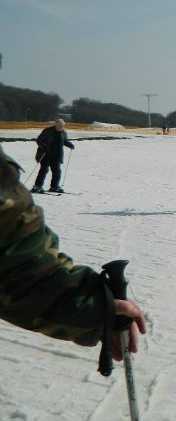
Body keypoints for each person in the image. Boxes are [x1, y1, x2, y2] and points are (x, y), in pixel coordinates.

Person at [0, 144, 146, 362]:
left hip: (54, 155)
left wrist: (88, 304)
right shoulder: (50, 132)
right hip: (49, 154)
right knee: (47, 169)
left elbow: (12, 248)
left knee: (54, 170)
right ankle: (43, 183)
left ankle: (52, 184)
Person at [32, 118, 75, 194]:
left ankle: (54, 186)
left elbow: (65, 141)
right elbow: (39, 140)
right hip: (46, 154)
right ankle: (38, 186)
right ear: (56, 125)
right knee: (44, 170)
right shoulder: (47, 131)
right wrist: (44, 146)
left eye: (62, 126)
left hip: (57, 155)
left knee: (57, 171)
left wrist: (70, 145)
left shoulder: (63, 132)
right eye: (59, 126)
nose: (61, 127)